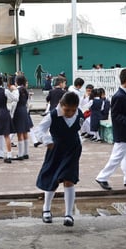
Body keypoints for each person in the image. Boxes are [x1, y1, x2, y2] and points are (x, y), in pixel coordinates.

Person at [34, 92, 84, 227]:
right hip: (56, 149)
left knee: (69, 180)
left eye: (73, 110)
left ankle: (68, 214)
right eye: (67, 110)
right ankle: (46, 209)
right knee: (52, 178)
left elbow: (81, 129)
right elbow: (39, 130)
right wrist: (46, 140)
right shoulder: (53, 115)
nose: (70, 113)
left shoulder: (79, 114)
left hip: (73, 150)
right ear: (61, 105)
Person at [95, 68, 126, 190]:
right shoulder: (119, 96)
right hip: (123, 133)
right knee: (117, 157)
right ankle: (102, 177)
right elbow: (115, 115)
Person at [11, 75, 31, 160]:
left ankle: (20, 154)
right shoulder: (25, 90)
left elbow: (14, 104)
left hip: (18, 111)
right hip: (24, 111)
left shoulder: (16, 91)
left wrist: (11, 114)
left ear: (16, 82)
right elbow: (28, 103)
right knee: (25, 133)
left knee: (19, 133)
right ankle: (26, 153)